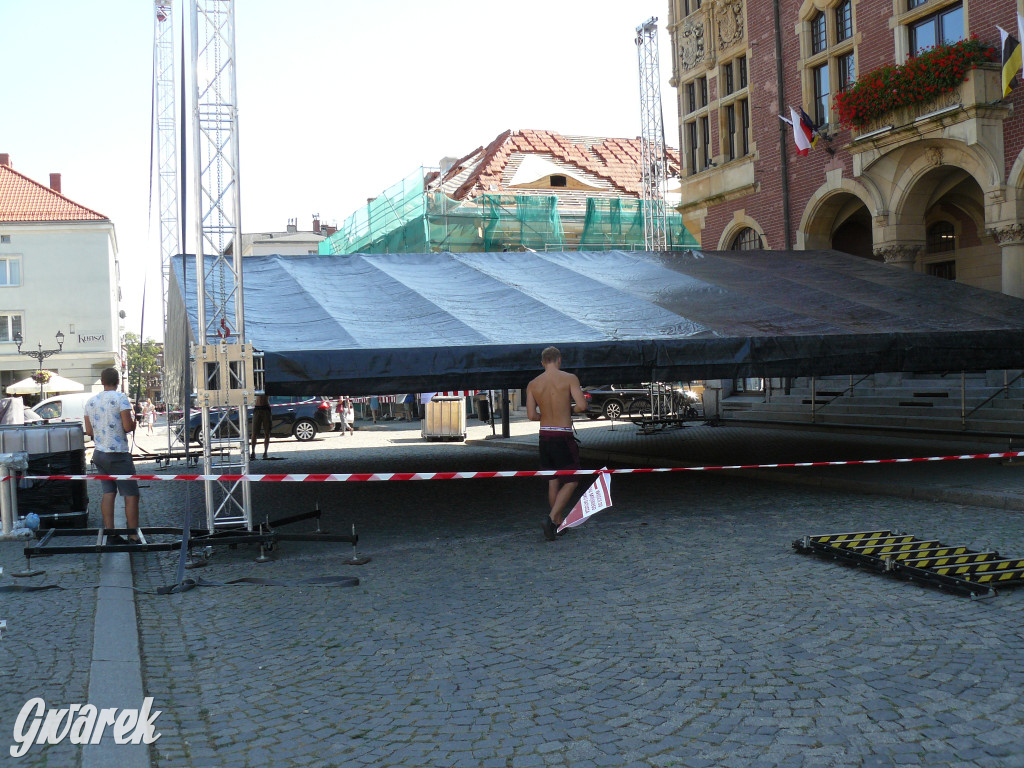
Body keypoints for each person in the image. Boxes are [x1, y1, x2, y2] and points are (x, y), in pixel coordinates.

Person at [526, 346, 587, 541]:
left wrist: (546, 414)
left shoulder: (533, 384)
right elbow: (582, 405)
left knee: (553, 480)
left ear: (542, 362)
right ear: (559, 360)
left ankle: (558, 522)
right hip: (563, 435)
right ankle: (551, 518)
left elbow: (531, 415)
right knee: (572, 479)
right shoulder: (569, 378)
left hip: (545, 435)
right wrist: (568, 411)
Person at [83, 368, 140, 541]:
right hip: (118, 454)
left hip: (99, 454)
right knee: (131, 494)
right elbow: (128, 427)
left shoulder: (90, 402)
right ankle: (132, 535)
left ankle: (110, 533)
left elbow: (89, 431)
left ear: (102, 381)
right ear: (117, 382)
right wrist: (134, 424)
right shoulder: (121, 399)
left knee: (108, 492)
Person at [250, 394, 272, 459]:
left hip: (265, 408)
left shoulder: (267, 386)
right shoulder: (257, 386)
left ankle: (265, 452)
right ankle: (253, 452)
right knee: (254, 433)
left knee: (267, 432)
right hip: (257, 408)